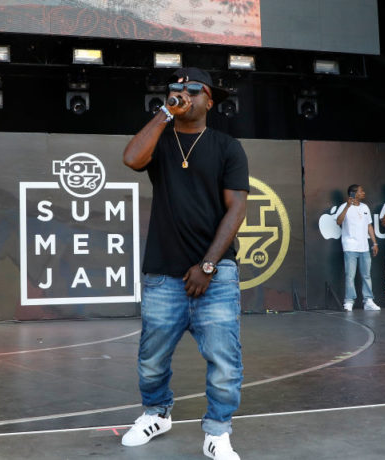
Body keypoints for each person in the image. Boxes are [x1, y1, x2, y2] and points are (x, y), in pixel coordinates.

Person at [121, 67, 248, 460]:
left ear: (209, 100)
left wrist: (208, 265)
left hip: (216, 274)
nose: (183, 92)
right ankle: (156, 414)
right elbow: (131, 158)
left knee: (224, 361)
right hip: (164, 274)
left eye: (193, 88)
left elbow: (236, 209)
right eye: (176, 88)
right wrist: (165, 112)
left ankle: (218, 432)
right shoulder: (161, 139)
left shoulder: (227, 147)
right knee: (151, 360)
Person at [335, 185, 380, 311]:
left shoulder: (365, 207)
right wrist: (347, 206)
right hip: (350, 246)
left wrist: (375, 243)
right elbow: (338, 222)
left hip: (364, 247)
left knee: (366, 275)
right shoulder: (343, 207)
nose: (364, 193)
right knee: (350, 276)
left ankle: (368, 300)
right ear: (353, 193)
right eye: (361, 191)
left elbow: (369, 226)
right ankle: (349, 301)